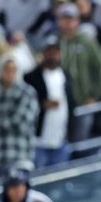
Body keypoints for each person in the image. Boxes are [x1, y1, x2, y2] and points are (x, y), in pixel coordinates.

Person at [24, 35, 76, 168]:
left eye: (56, 52)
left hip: (61, 138)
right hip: (39, 140)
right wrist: (42, 105)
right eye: (50, 51)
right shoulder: (31, 77)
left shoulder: (65, 75)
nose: (53, 55)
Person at [57, 3, 101, 133]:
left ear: (77, 21)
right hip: (60, 101)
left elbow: (100, 68)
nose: (68, 23)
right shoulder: (54, 42)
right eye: (64, 19)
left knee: (80, 136)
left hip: (83, 100)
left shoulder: (87, 42)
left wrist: (95, 95)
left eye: (71, 19)